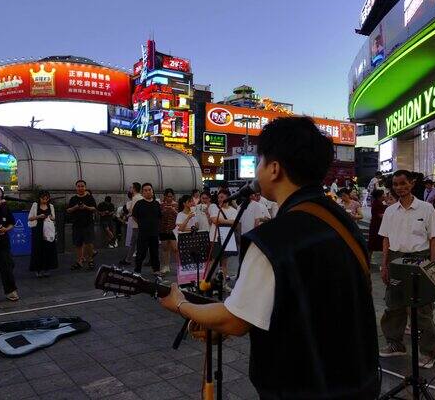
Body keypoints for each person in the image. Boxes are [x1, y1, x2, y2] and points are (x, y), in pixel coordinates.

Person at [158, 117, 379, 398]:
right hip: (360, 379)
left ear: (274, 169)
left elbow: (233, 322)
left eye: (260, 160)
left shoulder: (274, 238)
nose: (258, 169)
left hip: (303, 387)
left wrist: (180, 304)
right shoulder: (341, 221)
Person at [378, 169, 435, 368]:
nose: (399, 188)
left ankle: (429, 352)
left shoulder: (426, 208)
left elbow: (434, 239)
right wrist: (384, 265)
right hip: (396, 260)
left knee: (422, 309)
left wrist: (432, 266)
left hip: (419, 260)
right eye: (395, 185)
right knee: (393, 305)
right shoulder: (390, 211)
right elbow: (386, 240)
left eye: (403, 183)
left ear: (412, 183)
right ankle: (396, 344)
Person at [132, 183, 162, 276]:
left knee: (155, 252)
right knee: (141, 252)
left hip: (154, 233)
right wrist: (142, 224)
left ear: (152, 191)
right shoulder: (139, 203)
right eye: (145, 190)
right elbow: (134, 216)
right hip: (143, 233)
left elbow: (159, 217)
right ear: (142, 192)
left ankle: (156, 270)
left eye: (149, 190)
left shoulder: (156, 203)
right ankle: (137, 270)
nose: (148, 192)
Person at [209, 189, 239, 281]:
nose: (219, 199)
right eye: (218, 197)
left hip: (227, 238)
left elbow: (236, 224)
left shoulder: (233, 210)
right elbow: (215, 220)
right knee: (213, 262)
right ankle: (210, 283)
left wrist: (222, 221)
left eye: (222, 197)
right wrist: (230, 221)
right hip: (215, 238)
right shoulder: (214, 207)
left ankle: (223, 284)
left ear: (228, 198)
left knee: (224, 263)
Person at [67, 180, 98, 270]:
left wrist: (86, 207)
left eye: (82, 186)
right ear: (76, 188)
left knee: (89, 243)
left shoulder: (89, 198)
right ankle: (79, 261)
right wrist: (75, 207)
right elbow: (68, 210)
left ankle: (90, 260)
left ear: (85, 187)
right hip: (77, 224)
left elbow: (94, 209)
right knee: (78, 244)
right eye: (79, 186)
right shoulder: (73, 199)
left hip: (88, 224)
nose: (80, 188)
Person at [28, 191, 58, 277]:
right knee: (38, 249)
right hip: (38, 229)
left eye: (46, 199)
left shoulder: (51, 206)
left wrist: (50, 217)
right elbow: (30, 218)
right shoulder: (35, 205)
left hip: (48, 229)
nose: (45, 200)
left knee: (48, 248)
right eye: (43, 198)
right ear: (39, 198)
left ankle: (47, 268)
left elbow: (53, 218)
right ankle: (38, 269)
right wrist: (38, 216)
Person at [119, 182, 143, 266]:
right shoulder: (140, 197)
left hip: (137, 224)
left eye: (131, 187)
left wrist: (127, 215)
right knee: (136, 242)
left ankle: (129, 259)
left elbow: (133, 212)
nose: (130, 189)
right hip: (139, 223)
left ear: (134, 188)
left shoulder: (135, 198)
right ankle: (128, 259)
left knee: (135, 242)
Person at [159, 189, 178, 276]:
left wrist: (173, 210)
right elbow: (159, 215)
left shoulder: (176, 204)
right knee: (165, 248)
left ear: (173, 196)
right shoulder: (161, 205)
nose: (169, 198)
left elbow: (179, 215)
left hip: (174, 229)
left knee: (175, 249)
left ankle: (179, 267)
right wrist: (165, 210)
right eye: (168, 196)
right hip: (163, 229)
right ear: (165, 196)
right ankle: (166, 266)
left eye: (171, 196)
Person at [367, 189, 387, 256]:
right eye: (383, 194)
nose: (384, 196)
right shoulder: (377, 204)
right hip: (376, 226)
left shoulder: (378, 202)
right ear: (379, 196)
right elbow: (380, 215)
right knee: (373, 244)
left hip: (377, 225)